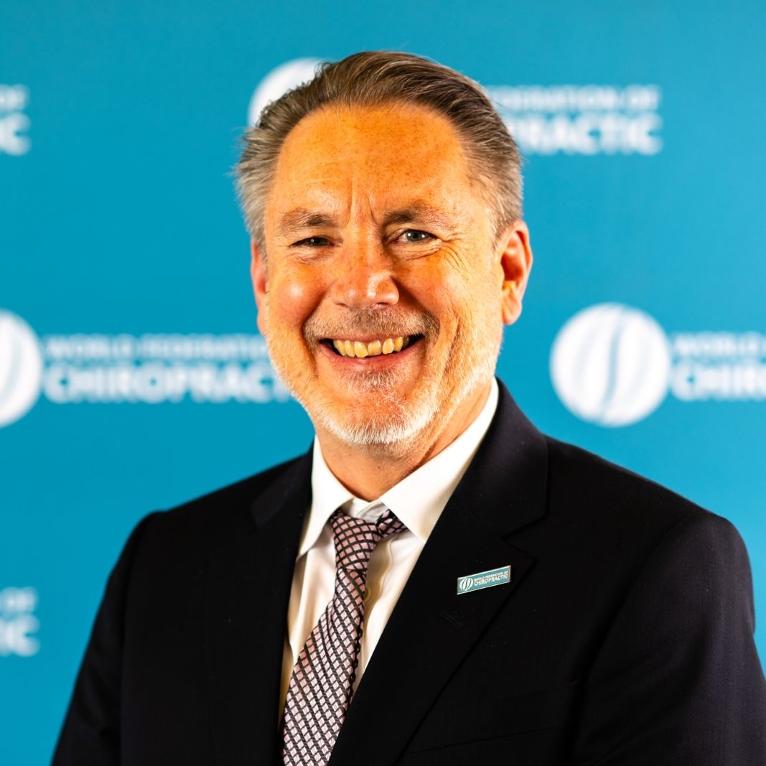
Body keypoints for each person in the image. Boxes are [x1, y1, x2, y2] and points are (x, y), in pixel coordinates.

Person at [52, 51, 766, 766]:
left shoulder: (654, 565)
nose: (362, 287)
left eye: (415, 235)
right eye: (314, 240)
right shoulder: (166, 567)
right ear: (264, 283)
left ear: (508, 271)